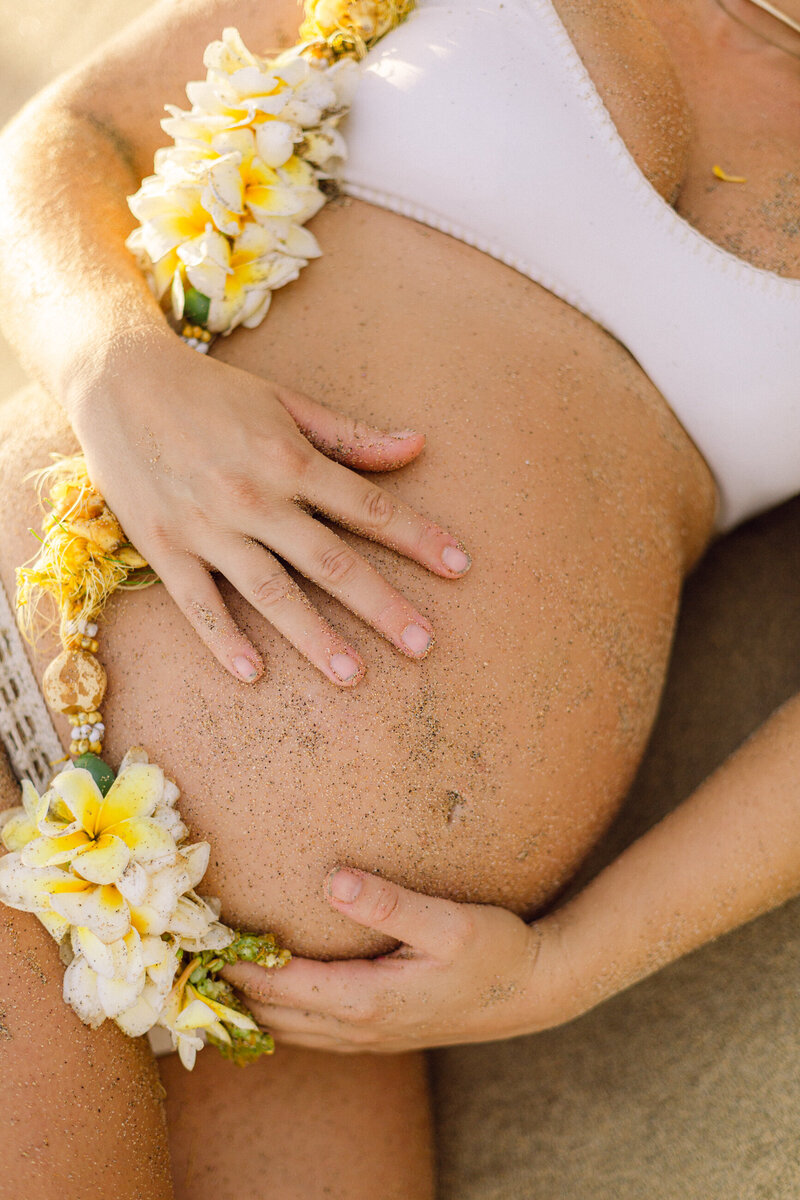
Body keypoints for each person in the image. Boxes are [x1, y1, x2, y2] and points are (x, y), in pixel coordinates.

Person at [0, 0, 798, 1196]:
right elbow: (77, 131)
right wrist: (110, 360)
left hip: (303, 1004)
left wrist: (561, 969)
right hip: (24, 695)